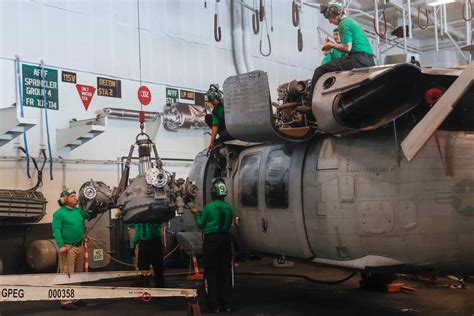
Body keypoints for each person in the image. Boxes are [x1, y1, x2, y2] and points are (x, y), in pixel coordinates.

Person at [308, 1, 375, 103]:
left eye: (329, 18)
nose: (329, 22)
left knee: (319, 71)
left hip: (358, 59)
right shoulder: (351, 22)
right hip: (369, 60)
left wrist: (331, 45)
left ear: (335, 14)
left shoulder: (343, 24)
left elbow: (347, 48)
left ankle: (309, 104)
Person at [190, 178, 234, 313]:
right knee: (225, 273)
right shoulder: (229, 208)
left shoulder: (209, 207)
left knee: (211, 273)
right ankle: (226, 304)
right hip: (225, 240)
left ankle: (213, 306)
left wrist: (196, 213)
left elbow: (200, 224)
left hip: (212, 241)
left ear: (213, 193)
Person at [52, 188, 98, 310]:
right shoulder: (59, 214)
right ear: (64, 199)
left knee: (78, 273)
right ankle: (65, 300)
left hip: (80, 246)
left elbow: (90, 215)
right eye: (72, 196)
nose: (75, 198)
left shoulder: (78, 211)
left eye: (75, 196)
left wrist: (97, 206)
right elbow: (56, 230)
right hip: (68, 247)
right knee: (67, 274)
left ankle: (76, 297)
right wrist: (61, 245)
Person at [131, 223, 165, 288]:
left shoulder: (142, 219)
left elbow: (138, 232)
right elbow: (138, 231)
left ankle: (157, 289)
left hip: (150, 243)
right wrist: (133, 244)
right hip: (151, 243)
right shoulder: (153, 217)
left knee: (154, 268)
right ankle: (154, 289)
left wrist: (133, 244)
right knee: (151, 268)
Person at [204, 84, 232, 152]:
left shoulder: (228, 104)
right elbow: (215, 126)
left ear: (218, 97)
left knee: (225, 134)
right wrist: (212, 142)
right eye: (211, 101)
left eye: (213, 100)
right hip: (225, 129)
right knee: (208, 117)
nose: (212, 103)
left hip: (233, 126)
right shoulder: (215, 111)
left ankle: (225, 135)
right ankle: (223, 135)